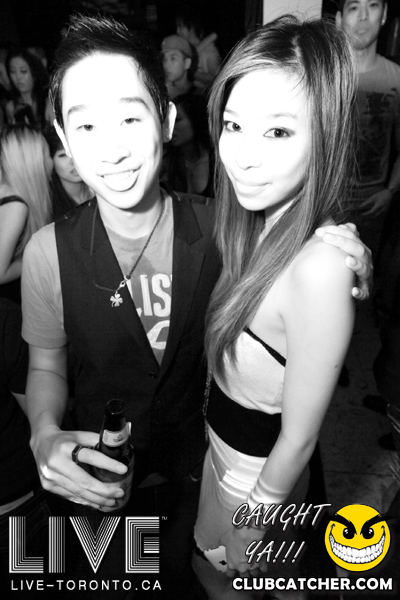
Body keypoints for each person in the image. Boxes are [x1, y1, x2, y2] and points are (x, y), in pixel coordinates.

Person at [21, 13, 371, 599]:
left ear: (166, 120)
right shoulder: (45, 253)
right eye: (85, 125)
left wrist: (346, 254)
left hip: (203, 475)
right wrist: (42, 432)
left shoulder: (223, 232)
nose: (111, 149)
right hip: (102, 488)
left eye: (130, 117)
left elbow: (294, 266)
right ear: (61, 136)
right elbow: (45, 366)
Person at [192, 16, 358, 599]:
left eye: (279, 132)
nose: (243, 157)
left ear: (326, 136)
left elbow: (300, 439)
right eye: (234, 125)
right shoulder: (252, 221)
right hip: (224, 452)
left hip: (258, 479)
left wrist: (254, 518)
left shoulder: (321, 266)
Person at [336, 0, 400, 259]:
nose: (363, 16)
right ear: (339, 19)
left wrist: (390, 191)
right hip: (325, 203)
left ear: (384, 15)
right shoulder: (323, 74)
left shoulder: (396, 79)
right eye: (354, 7)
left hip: (371, 208)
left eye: (372, 5)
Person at [0, 297, 51, 597]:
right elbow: (40, 416)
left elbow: (40, 415)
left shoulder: (6, 318)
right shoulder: (5, 316)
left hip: (16, 507)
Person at [0, 124, 53, 303]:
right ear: (33, 161)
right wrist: (38, 257)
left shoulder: (8, 193)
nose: (50, 161)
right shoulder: (15, 206)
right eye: (47, 153)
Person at [162, 92, 213, 196]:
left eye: (177, 120)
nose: (170, 126)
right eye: (168, 121)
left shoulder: (218, 163)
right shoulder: (168, 161)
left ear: (195, 120)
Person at [44, 126, 92, 219]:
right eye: (63, 155)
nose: (73, 161)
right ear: (50, 161)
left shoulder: (101, 192)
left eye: (77, 151)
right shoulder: (48, 206)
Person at [176, 4, 221, 92]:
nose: (177, 31)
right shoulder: (183, 48)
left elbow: (217, 80)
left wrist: (193, 72)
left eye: (180, 27)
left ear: (191, 27)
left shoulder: (209, 51)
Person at [5, 48, 49, 129]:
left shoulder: (48, 102)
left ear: (34, 71)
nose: (18, 77)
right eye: (13, 71)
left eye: (23, 71)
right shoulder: (11, 107)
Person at [161, 34, 196, 99]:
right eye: (165, 59)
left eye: (173, 58)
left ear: (187, 63)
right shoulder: (162, 91)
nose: (166, 65)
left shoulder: (198, 97)